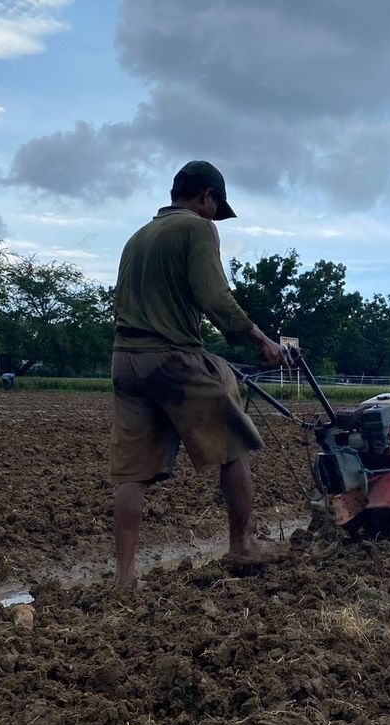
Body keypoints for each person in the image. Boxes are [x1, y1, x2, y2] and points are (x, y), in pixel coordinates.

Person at [110, 160, 289, 589]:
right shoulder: (196, 228)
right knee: (234, 443)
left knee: (132, 473)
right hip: (171, 357)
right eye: (215, 207)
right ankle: (243, 545)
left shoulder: (138, 237)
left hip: (125, 360)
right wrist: (260, 339)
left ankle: (124, 578)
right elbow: (214, 296)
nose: (215, 216)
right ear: (206, 196)